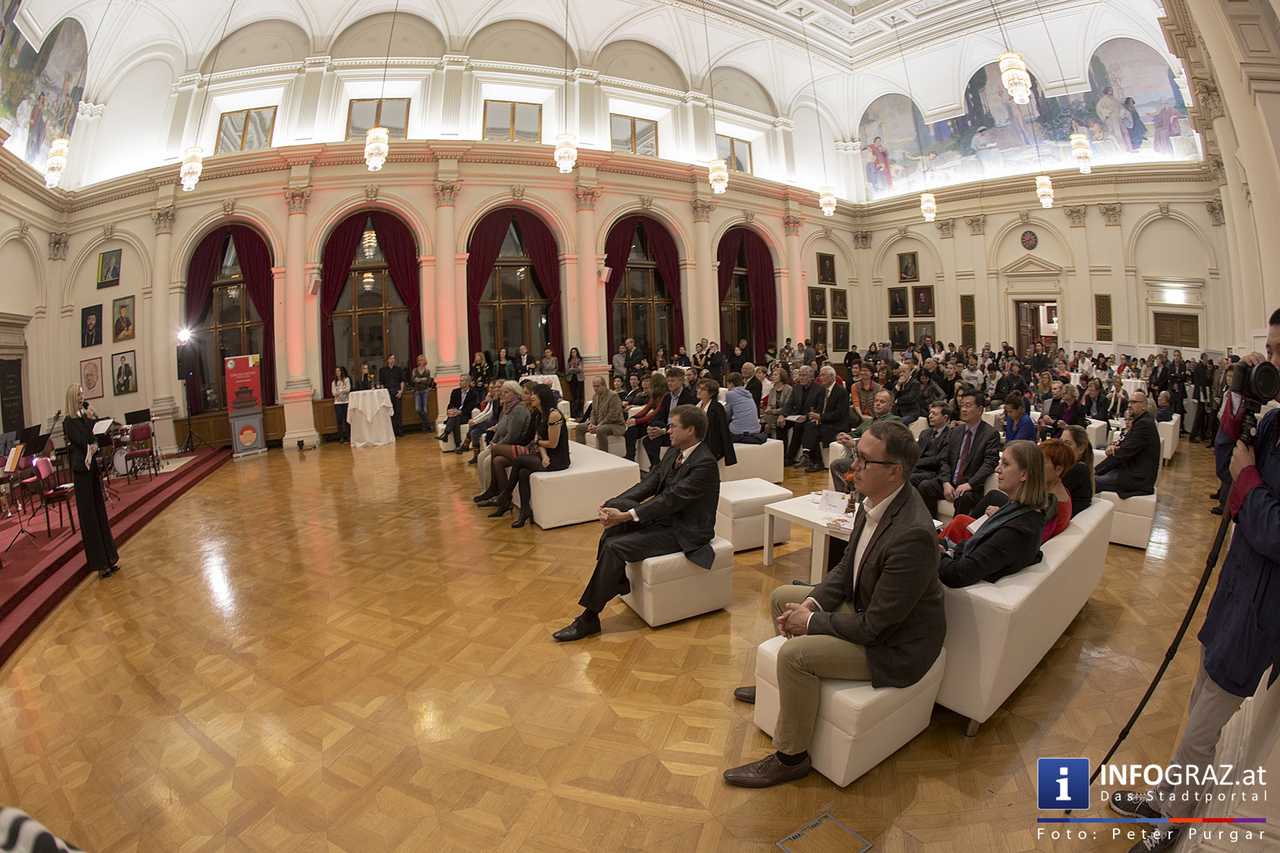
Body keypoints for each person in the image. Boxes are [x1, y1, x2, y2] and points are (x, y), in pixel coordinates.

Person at [1108, 315, 1280, 853]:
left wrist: (1250, 481)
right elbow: (1228, 469)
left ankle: (1171, 827)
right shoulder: (1275, 422)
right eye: (1270, 349)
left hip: (1264, 607)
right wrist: (1237, 405)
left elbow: (1275, 529)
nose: (1273, 362)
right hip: (1236, 586)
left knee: (1211, 725)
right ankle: (1170, 803)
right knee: (1199, 702)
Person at [722, 422, 944, 788]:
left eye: (864, 460)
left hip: (897, 646)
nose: (852, 467)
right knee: (783, 597)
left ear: (895, 471)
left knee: (796, 656)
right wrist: (810, 604)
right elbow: (845, 568)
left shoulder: (913, 535)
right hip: (869, 611)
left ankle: (791, 757)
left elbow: (876, 627)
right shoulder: (873, 501)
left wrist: (808, 624)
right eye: (856, 454)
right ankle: (785, 687)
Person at [553, 406, 719, 642]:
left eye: (673, 426)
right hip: (665, 519)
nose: (668, 430)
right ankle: (614, 580)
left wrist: (625, 515)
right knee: (615, 513)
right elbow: (650, 483)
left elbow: (669, 501)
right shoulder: (674, 451)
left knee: (614, 545)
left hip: (685, 531)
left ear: (690, 430)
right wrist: (615, 504)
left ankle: (590, 617)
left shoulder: (705, 464)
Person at [937, 441, 1048, 588]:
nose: (997, 469)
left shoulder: (1017, 531)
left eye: (1006, 464)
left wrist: (938, 554)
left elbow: (956, 575)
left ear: (1024, 474)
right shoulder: (1020, 510)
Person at [486, 384, 570, 528]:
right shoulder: (539, 413)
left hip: (558, 459)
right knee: (523, 473)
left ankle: (505, 495)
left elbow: (553, 444)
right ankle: (525, 511)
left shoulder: (553, 414)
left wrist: (540, 447)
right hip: (546, 456)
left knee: (518, 461)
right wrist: (542, 454)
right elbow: (540, 442)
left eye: (534, 395)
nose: (531, 397)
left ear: (542, 397)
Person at [63, 385, 120, 579]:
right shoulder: (69, 422)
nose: (82, 397)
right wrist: (88, 421)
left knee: (100, 512)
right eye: (79, 395)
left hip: (92, 469)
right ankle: (100, 564)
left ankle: (110, 558)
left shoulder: (83, 418)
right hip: (81, 472)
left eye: (82, 394)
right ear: (73, 398)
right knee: (89, 518)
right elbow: (82, 440)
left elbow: (93, 437)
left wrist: (91, 419)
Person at [916, 388, 1001, 518]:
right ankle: (932, 525)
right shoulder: (955, 431)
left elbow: (989, 464)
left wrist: (970, 484)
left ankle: (954, 535)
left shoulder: (990, 434)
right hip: (951, 482)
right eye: (962, 406)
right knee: (925, 486)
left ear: (980, 409)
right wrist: (945, 482)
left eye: (968, 406)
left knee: (964, 497)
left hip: (971, 486)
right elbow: (945, 460)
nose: (964, 409)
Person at [472, 382, 533, 498]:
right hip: (504, 444)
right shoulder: (506, 408)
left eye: (506, 392)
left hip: (514, 444)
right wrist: (492, 443)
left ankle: (495, 492)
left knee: (488, 460)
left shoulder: (518, 409)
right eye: (502, 392)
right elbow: (499, 429)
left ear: (515, 394)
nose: (502, 395)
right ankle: (486, 490)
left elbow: (513, 435)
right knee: (481, 456)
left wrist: (497, 446)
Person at [1095, 391, 1160, 498]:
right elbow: (1123, 449)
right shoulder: (1141, 421)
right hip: (1128, 470)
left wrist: (1095, 470)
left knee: (1091, 481)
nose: (1129, 405)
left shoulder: (1144, 424)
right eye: (1129, 402)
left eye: (1134, 402)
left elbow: (1123, 453)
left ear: (1144, 406)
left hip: (1137, 478)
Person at [795, 366, 851, 472]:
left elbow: (839, 414)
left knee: (817, 430)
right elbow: (819, 408)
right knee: (809, 425)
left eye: (823, 375)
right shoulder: (822, 391)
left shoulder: (841, 392)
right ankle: (810, 457)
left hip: (837, 423)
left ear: (831, 377)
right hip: (824, 421)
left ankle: (814, 460)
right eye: (820, 375)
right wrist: (815, 416)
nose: (820, 377)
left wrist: (820, 417)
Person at [642, 368, 697, 469]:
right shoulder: (667, 397)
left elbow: (685, 421)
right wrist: (651, 427)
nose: (669, 383)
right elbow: (659, 415)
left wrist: (664, 431)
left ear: (681, 381)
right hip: (666, 429)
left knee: (654, 438)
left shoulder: (689, 397)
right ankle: (657, 467)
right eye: (668, 381)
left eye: (672, 380)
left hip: (680, 430)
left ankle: (657, 469)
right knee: (648, 440)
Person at [623, 373, 668, 461]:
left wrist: (637, 421)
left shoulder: (665, 395)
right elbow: (646, 409)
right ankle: (630, 456)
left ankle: (655, 465)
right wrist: (633, 418)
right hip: (652, 420)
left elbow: (656, 413)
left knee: (638, 426)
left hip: (660, 422)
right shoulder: (654, 395)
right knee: (631, 430)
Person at [575, 375, 626, 452]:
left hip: (615, 424)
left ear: (604, 385)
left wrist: (598, 425)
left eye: (597, 386)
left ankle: (604, 454)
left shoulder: (613, 396)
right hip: (599, 423)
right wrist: (591, 424)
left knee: (600, 430)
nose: (595, 388)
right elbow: (593, 413)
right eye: (594, 386)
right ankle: (583, 451)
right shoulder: (595, 396)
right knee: (579, 427)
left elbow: (613, 415)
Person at [1038, 439, 1075, 543]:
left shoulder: (1052, 504)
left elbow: (1034, 538)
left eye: (1041, 463)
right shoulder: (1061, 491)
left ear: (1058, 469)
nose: (1035, 466)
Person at [694, 379, 737, 466]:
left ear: (711, 393)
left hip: (711, 445)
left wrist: (729, 455)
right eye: (698, 388)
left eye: (703, 389)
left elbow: (723, 430)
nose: (699, 391)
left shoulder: (717, 407)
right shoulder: (697, 406)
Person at [437, 374, 482, 451]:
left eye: (462, 381)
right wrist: (450, 410)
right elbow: (451, 404)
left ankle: (446, 434)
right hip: (455, 414)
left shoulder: (473, 394)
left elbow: (470, 407)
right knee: (455, 418)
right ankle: (458, 445)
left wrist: (460, 412)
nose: (460, 382)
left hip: (465, 415)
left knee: (455, 418)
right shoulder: (455, 392)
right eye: (460, 380)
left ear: (468, 382)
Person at [1062, 425, 1095, 518]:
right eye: (1061, 442)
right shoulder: (1071, 467)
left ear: (1080, 448)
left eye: (1067, 443)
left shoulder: (1078, 469)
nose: (1061, 447)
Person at [723, 373, 764, 443]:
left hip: (738, 430)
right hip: (756, 429)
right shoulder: (748, 394)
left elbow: (727, 414)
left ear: (731, 383)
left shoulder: (730, 394)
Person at [379, 354, 407, 436]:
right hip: (387, 393)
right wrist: (384, 394)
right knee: (390, 413)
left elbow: (402, 381)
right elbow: (381, 383)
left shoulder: (398, 369)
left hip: (397, 392)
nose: (392, 360)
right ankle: (392, 432)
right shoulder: (383, 370)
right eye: (391, 358)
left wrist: (401, 391)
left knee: (398, 412)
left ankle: (400, 431)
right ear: (387, 360)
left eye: (394, 358)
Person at [762, 368, 793, 439]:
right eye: (772, 375)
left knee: (778, 424)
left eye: (776, 375)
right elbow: (769, 405)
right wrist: (768, 408)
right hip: (773, 414)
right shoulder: (772, 390)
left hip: (785, 414)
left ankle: (782, 447)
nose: (773, 376)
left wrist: (772, 411)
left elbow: (787, 406)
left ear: (782, 376)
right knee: (764, 423)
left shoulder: (788, 389)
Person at [411, 355, 433, 430]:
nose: (420, 361)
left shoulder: (427, 371)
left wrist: (419, 379)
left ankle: (425, 426)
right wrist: (422, 379)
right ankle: (428, 424)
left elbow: (428, 381)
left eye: (422, 360)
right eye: (419, 360)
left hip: (425, 391)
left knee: (425, 409)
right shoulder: (414, 370)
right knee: (418, 409)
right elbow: (413, 380)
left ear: (424, 361)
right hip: (417, 391)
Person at [331, 366, 352, 443]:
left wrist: (340, 391)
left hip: (346, 402)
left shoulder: (346, 379)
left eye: (339, 371)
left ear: (341, 372)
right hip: (338, 403)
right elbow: (333, 393)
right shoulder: (334, 382)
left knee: (347, 420)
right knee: (339, 420)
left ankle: (349, 436)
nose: (337, 373)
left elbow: (348, 389)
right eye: (336, 371)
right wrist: (341, 391)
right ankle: (341, 437)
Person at [565, 347, 585, 418]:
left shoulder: (580, 359)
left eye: (574, 352)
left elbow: (580, 369)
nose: (573, 353)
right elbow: (567, 370)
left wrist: (572, 369)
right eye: (572, 352)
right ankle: (574, 413)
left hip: (579, 379)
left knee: (579, 396)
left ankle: (579, 412)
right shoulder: (569, 360)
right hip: (571, 379)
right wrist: (574, 369)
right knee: (573, 396)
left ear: (577, 352)